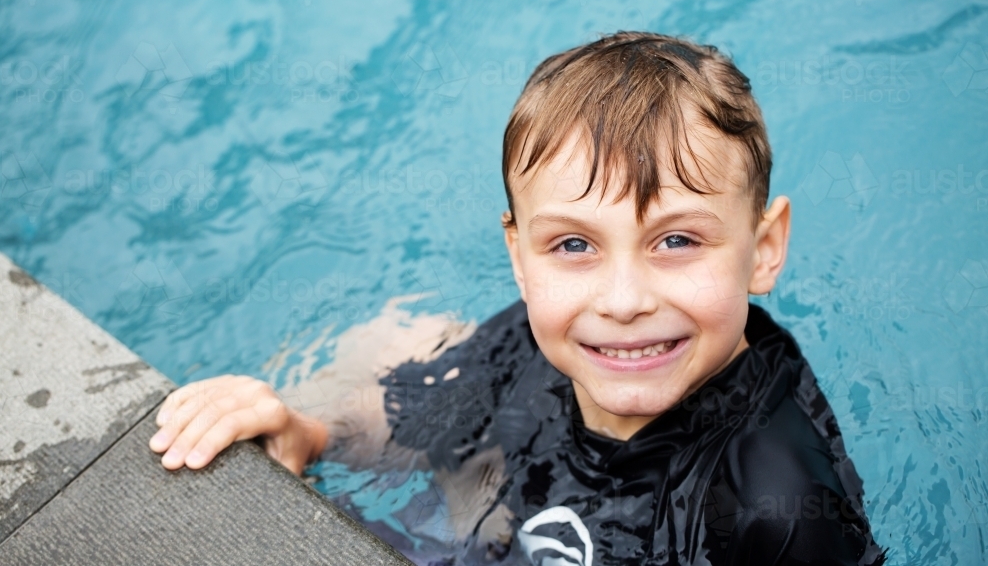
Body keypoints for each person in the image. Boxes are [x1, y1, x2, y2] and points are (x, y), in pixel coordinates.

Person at [148, 32, 886, 565]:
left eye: (676, 241)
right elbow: (411, 421)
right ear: (520, 256)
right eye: (574, 245)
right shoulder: (542, 342)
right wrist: (300, 435)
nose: (622, 300)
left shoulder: (773, 509)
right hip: (529, 504)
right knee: (396, 343)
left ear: (763, 248)